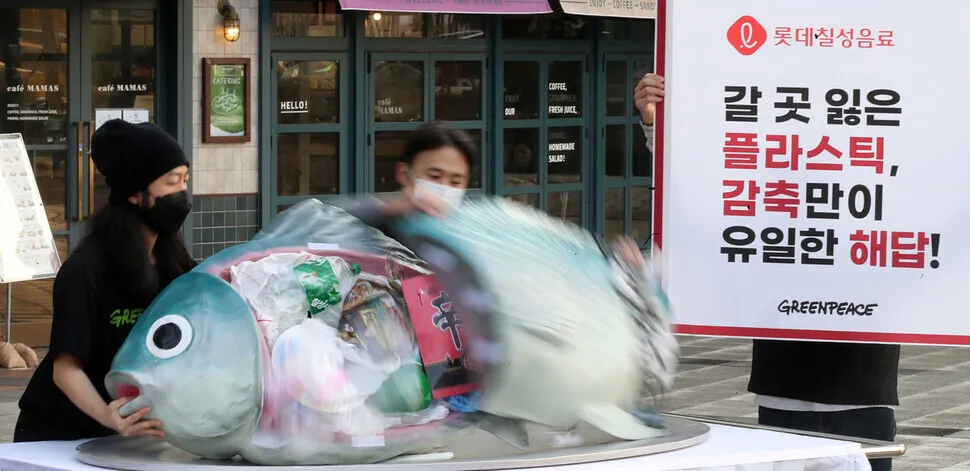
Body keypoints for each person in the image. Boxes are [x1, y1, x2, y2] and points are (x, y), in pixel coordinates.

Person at [633, 72, 898, 471]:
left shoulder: (882, 178)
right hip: (784, 387)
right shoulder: (770, 182)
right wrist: (654, 122)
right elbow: (696, 186)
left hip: (864, 388)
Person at [14, 119, 196, 442]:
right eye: (172, 182)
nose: (182, 193)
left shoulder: (174, 263)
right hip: (57, 435)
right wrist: (107, 414)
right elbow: (65, 369)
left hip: (123, 433)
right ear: (135, 195)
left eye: (185, 180)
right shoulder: (85, 271)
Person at [342, 121, 645, 266]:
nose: (443, 187)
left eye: (456, 180)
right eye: (434, 176)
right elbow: (322, 218)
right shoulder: (376, 223)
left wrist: (608, 261)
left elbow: (542, 250)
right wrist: (395, 209)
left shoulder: (472, 231)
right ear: (403, 174)